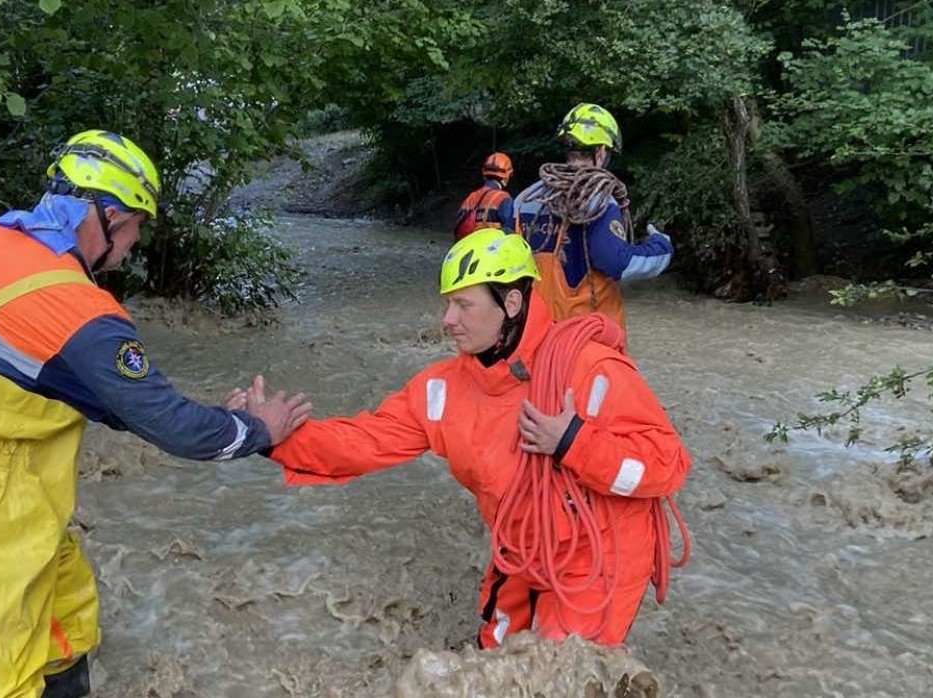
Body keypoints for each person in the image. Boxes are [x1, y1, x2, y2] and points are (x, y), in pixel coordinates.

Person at [0, 129, 311, 698]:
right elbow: (171, 427)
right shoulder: (76, 312)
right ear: (106, 216)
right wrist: (259, 429)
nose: (134, 244)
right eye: (136, 225)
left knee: (65, 618)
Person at [238, 229, 690, 650]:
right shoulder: (445, 389)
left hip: (600, 555)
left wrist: (573, 440)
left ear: (511, 303)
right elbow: (364, 441)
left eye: (463, 305)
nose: (447, 319)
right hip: (524, 546)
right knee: (494, 656)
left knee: (554, 670)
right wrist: (271, 437)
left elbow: (667, 463)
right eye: (447, 304)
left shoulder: (589, 370)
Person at [512, 103, 674, 328]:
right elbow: (617, 262)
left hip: (530, 330)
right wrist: (661, 247)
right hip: (580, 337)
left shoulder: (525, 199)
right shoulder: (599, 202)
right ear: (601, 152)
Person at [452, 152, 515, 241]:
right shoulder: (503, 198)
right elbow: (509, 234)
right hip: (489, 251)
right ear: (507, 176)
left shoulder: (471, 197)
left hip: (465, 247)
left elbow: (457, 227)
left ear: (484, 173)